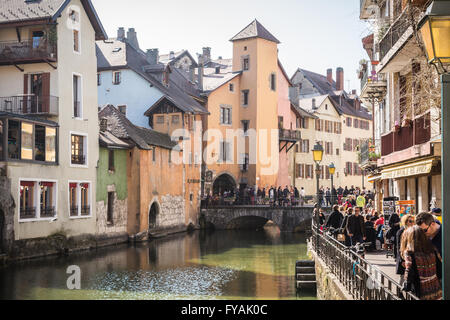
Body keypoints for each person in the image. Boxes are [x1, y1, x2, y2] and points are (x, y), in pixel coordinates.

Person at [401, 226, 442, 300]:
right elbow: (439, 269)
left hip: (421, 290)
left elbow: (409, 270)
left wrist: (406, 283)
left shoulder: (410, 252)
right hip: (435, 288)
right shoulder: (432, 248)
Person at [396, 214, 415, 285]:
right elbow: (398, 247)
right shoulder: (401, 231)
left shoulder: (413, 231)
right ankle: (399, 293)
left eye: (413, 221)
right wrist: (402, 260)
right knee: (403, 276)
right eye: (410, 221)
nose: (412, 223)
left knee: (409, 275)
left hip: (411, 257)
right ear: (405, 221)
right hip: (403, 258)